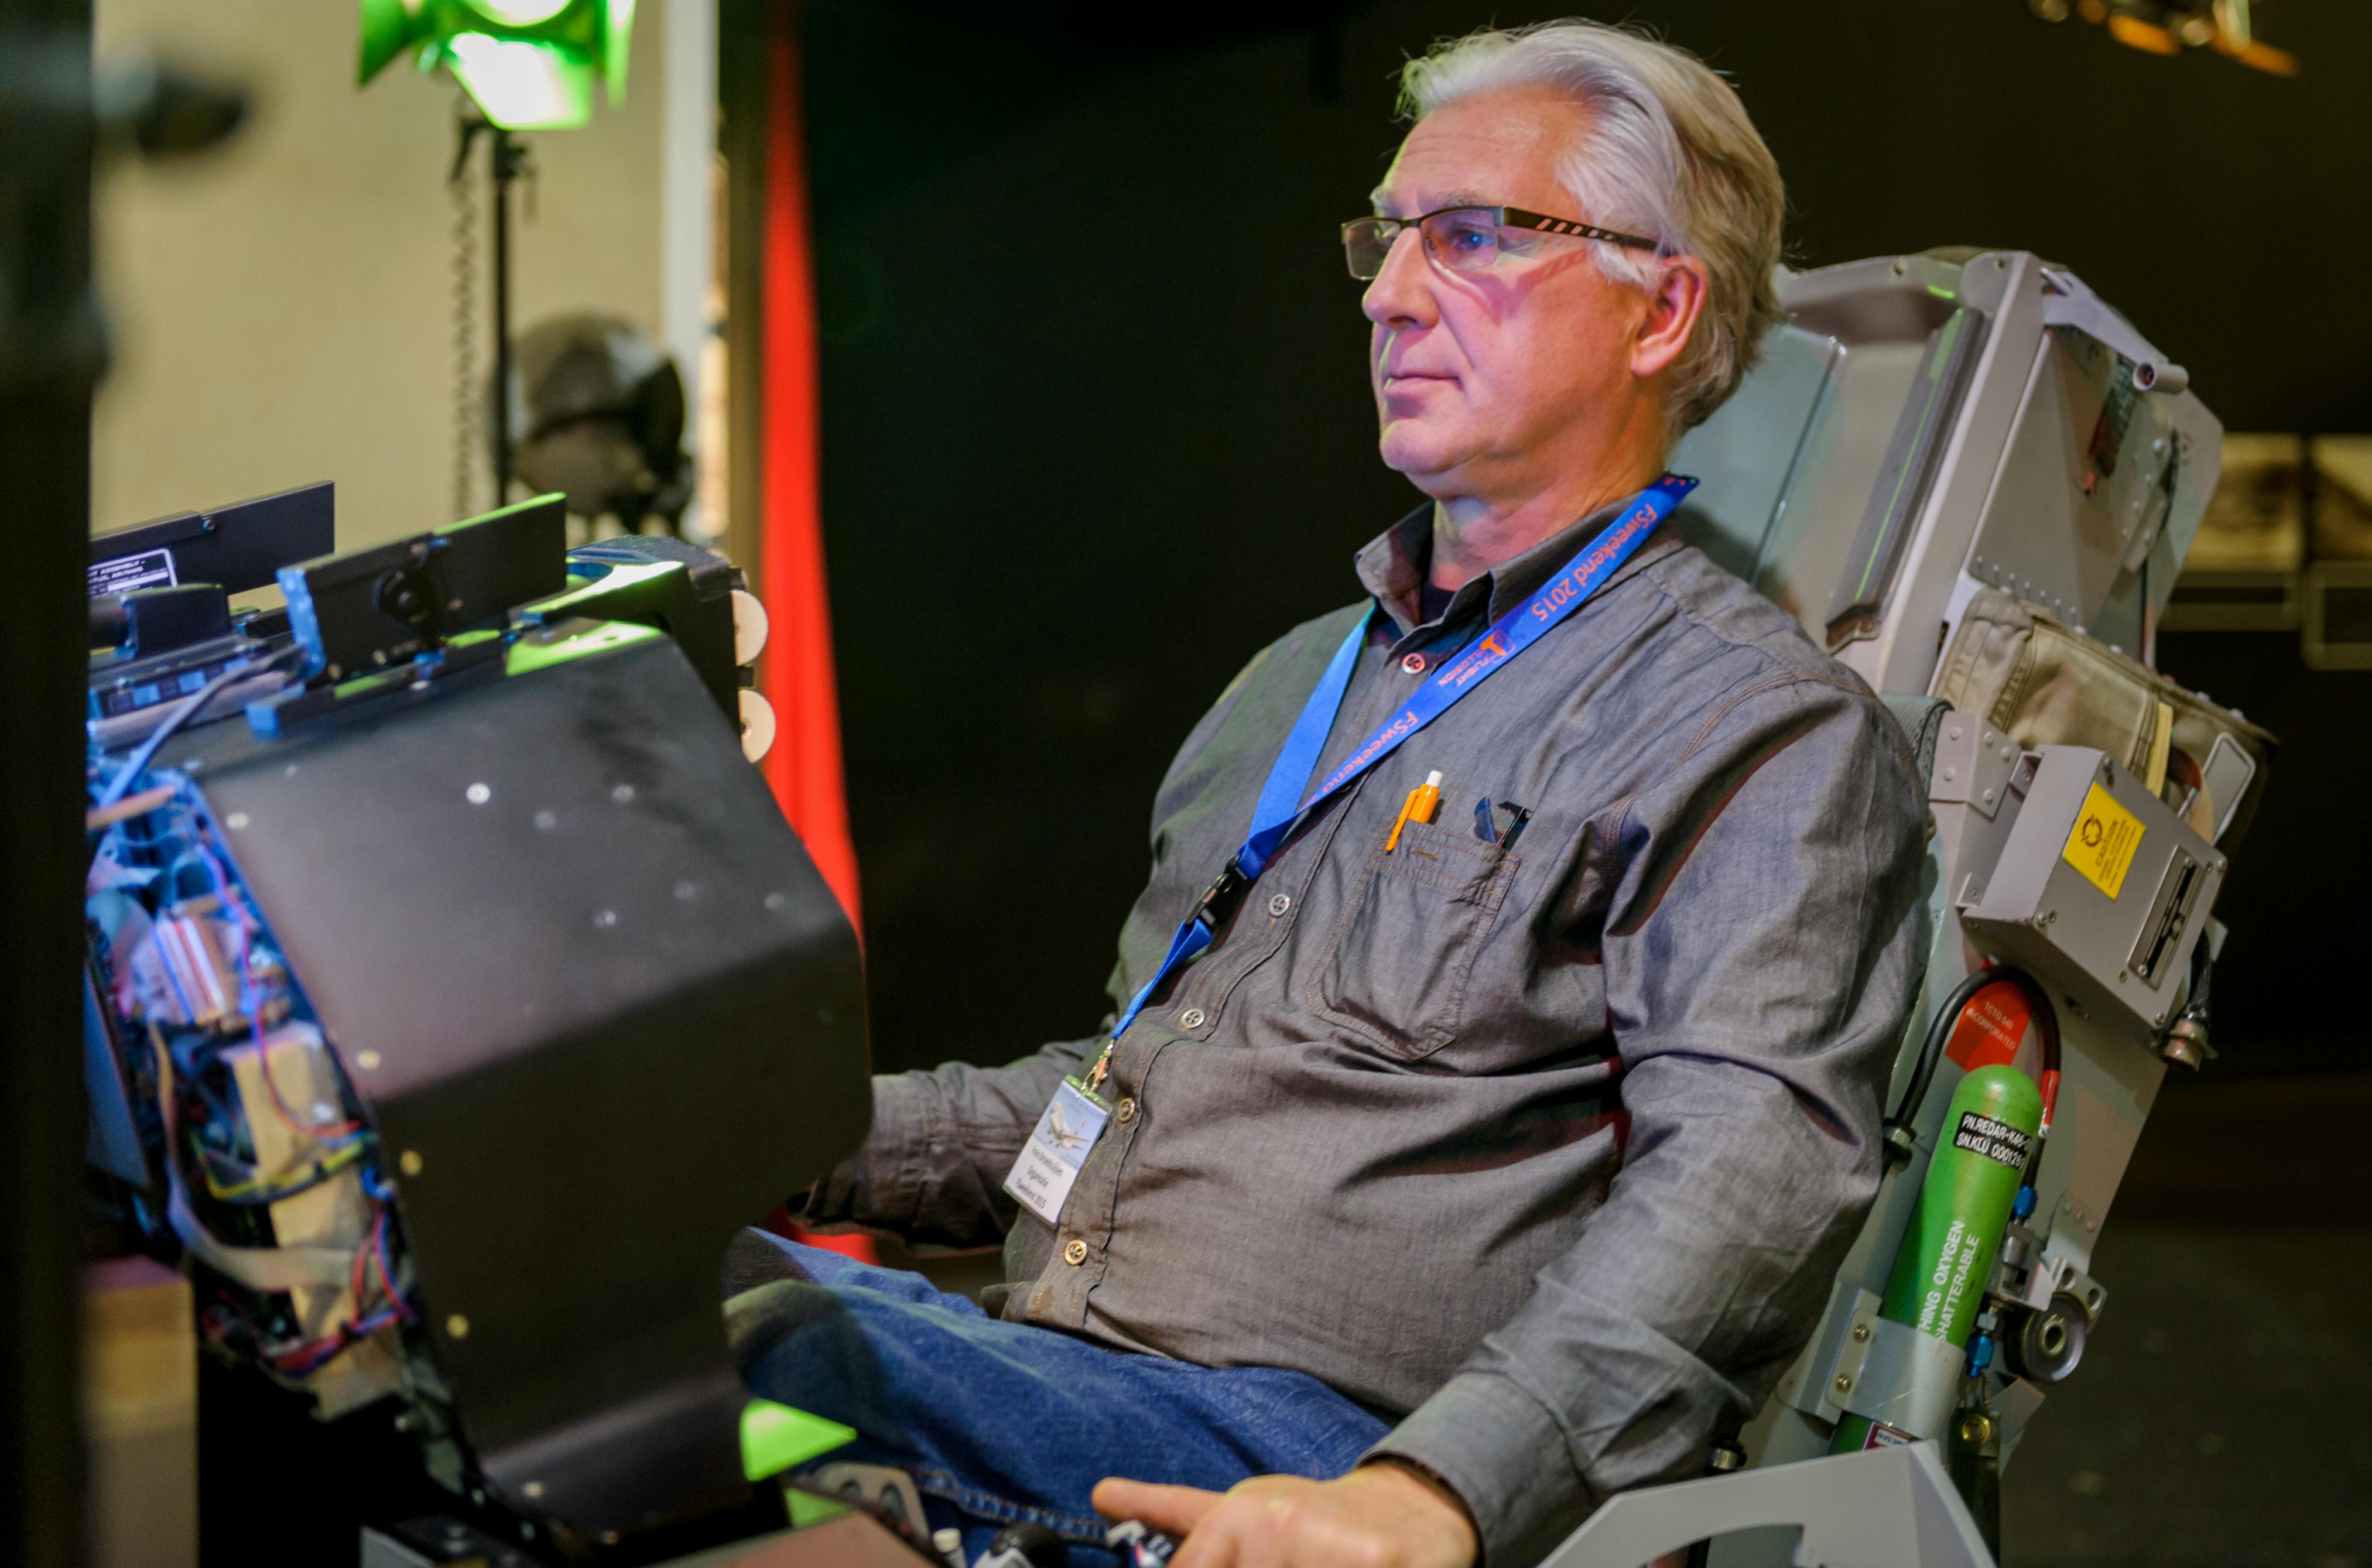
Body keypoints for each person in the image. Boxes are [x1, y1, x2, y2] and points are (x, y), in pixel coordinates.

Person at [727, 19, 1927, 1568]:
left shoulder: (1755, 726)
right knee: (604, 1305)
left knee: (756, 1359)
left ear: (1659, 308)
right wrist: (737, 1137)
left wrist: (1432, 1494)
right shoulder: (1295, 683)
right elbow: (1107, 1101)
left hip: (1326, 1458)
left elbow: (1753, 1173)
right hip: (1074, 1374)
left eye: (1473, 236)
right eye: (1385, 236)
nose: (1384, 291)